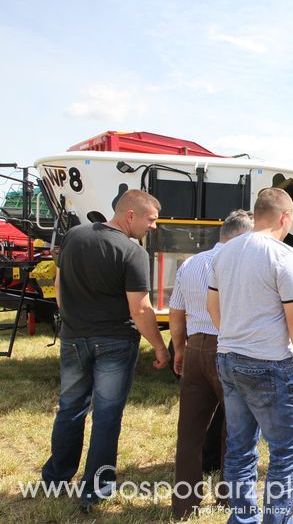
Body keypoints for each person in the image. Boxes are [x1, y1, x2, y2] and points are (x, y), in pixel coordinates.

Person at [42, 190, 170, 512]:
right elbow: (140, 309)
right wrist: (159, 346)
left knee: (70, 408)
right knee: (106, 416)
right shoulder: (132, 251)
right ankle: (95, 490)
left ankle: (56, 478)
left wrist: (71, 318)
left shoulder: (73, 236)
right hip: (114, 342)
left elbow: (59, 284)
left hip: (74, 338)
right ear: (130, 216)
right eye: (151, 220)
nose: (153, 227)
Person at [207, 188, 293, 523]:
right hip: (268, 363)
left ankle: (242, 518)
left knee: (240, 448)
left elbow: (212, 307)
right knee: (286, 452)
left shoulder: (224, 253)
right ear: (285, 217)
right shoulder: (284, 255)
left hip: (228, 357)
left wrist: (234, 335)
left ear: (257, 214)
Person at [170, 210, 254, 519]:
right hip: (228, 346)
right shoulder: (241, 265)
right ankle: (228, 498)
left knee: (189, 431)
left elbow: (176, 312)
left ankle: (184, 504)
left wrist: (180, 349)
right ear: (244, 236)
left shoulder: (191, 263)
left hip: (195, 346)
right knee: (235, 427)